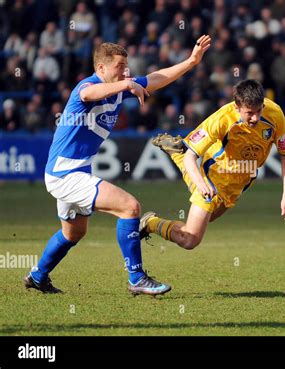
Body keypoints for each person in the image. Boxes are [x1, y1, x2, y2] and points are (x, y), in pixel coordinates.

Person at [24, 35, 212, 296]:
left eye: (127, 66)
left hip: (76, 171)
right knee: (130, 207)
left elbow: (156, 79)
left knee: (73, 233)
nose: (127, 71)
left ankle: (37, 275)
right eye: (120, 67)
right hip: (64, 174)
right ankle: (136, 278)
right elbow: (89, 93)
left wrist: (191, 62)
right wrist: (126, 85)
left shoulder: (121, 87)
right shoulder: (87, 87)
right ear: (101, 69)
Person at [140, 79, 285, 255]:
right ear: (237, 107)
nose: (256, 118)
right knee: (190, 239)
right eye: (249, 113)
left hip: (242, 179)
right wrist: (200, 183)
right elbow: (192, 156)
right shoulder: (222, 119)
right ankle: (178, 158)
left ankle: (151, 220)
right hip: (214, 174)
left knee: (208, 218)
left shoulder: (275, 114)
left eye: (259, 111)